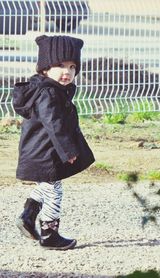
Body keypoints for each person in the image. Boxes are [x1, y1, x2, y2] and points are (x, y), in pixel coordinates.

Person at [13, 35, 95, 250]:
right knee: (54, 190)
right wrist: (68, 150)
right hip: (45, 153)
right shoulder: (48, 93)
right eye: (59, 65)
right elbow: (54, 124)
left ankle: (28, 217)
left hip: (41, 151)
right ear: (44, 69)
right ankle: (50, 234)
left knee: (46, 186)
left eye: (72, 66)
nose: (66, 71)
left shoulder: (50, 90)